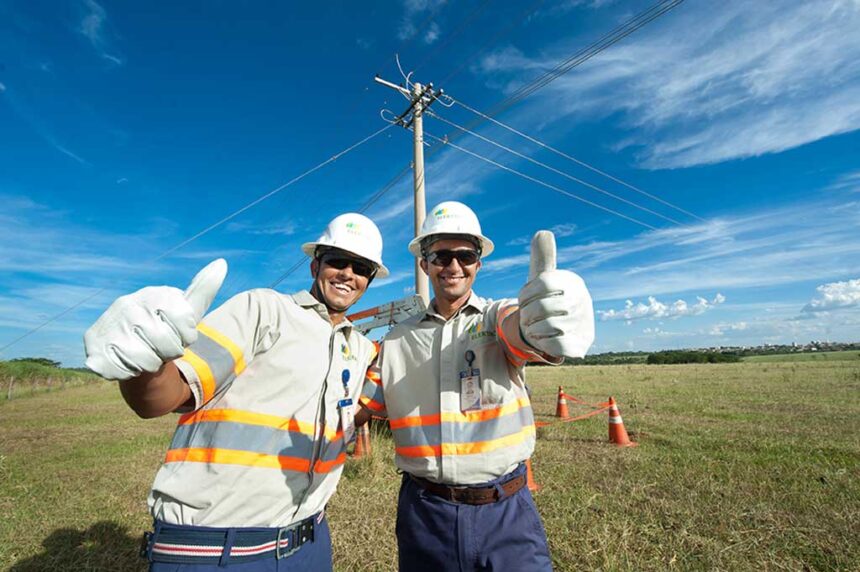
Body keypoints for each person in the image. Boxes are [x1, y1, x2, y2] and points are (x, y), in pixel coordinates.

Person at [84, 213, 388, 571]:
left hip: (309, 542)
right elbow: (166, 397)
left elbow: (361, 412)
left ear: (369, 279)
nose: (348, 273)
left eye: (362, 267)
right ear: (314, 265)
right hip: (217, 547)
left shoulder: (360, 348)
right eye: (338, 261)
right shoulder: (263, 310)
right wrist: (145, 365)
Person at [357, 201, 594, 572]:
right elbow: (358, 406)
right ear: (424, 264)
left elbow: (521, 332)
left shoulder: (496, 316)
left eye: (465, 255)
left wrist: (541, 325)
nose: (453, 266)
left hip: (506, 513)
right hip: (426, 513)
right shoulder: (395, 341)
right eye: (441, 256)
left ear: (478, 264)